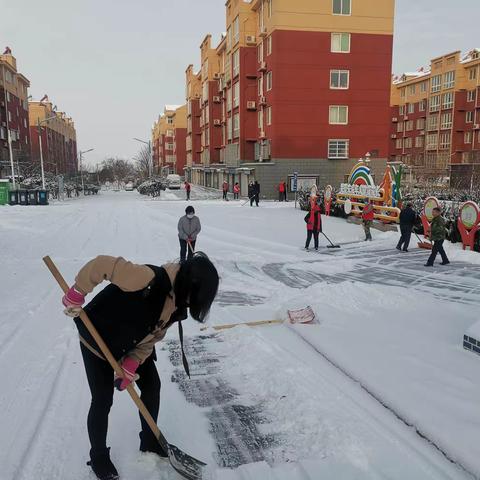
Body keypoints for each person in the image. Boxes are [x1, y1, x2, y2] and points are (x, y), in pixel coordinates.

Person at [61, 253, 219, 480]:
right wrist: (78, 290)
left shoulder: (177, 302)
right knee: (102, 399)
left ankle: (150, 441)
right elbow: (102, 264)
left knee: (152, 386)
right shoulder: (146, 278)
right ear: (188, 285)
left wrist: (133, 362)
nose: (190, 305)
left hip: (134, 342)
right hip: (97, 340)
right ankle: (98, 457)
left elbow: (155, 335)